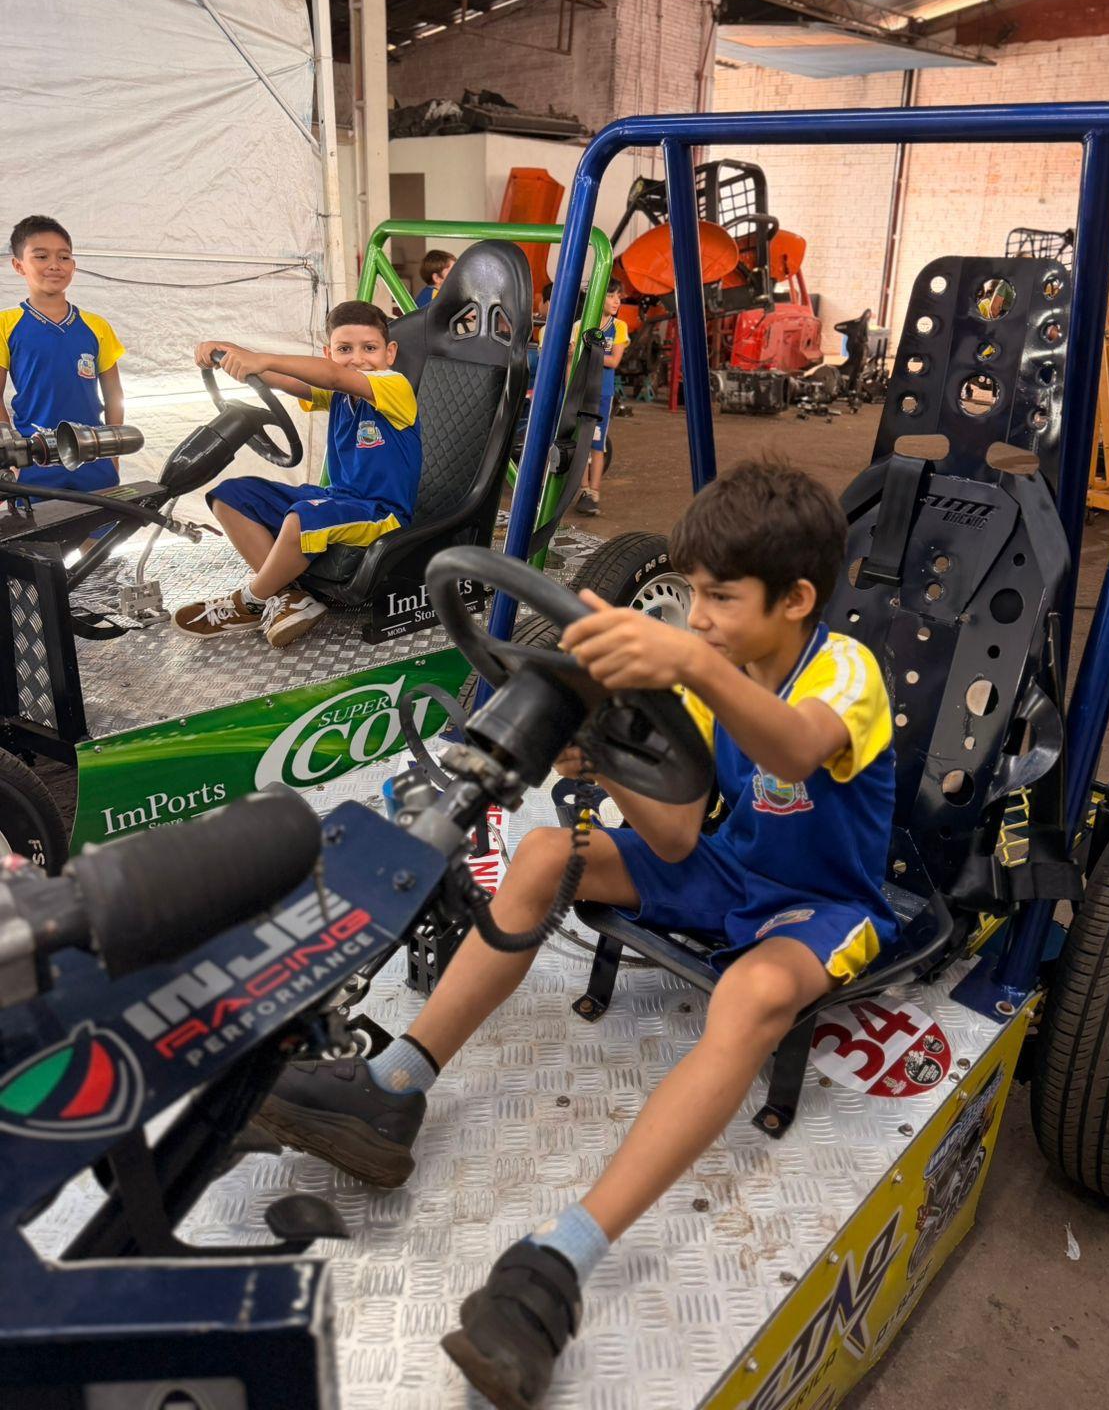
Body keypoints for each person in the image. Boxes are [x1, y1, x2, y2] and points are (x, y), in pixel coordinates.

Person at [256, 456, 897, 1408]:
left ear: (797, 599)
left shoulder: (843, 673)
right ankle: (396, 1084)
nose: (702, 615)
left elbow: (794, 746)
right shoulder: (708, 662)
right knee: (545, 853)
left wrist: (690, 659)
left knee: (753, 992)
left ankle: (559, 1262)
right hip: (721, 866)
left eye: (722, 598)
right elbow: (677, 831)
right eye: (694, 597)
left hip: (820, 904)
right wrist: (593, 740)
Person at [171, 300, 420, 650]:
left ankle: (250, 601)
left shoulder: (393, 386)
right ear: (327, 352)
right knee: (230, 496)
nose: (358, 358)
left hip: (381, 512)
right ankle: (287, 598)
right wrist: (231, 355)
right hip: (338, 499)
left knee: (302, 518)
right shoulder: (338, 395)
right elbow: (290, 381)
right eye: (344, 349)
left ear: (389, 353)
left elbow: (332, 374)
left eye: (370, 348)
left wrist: (263, 356)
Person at [1, 215, 126, 493]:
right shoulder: (5, 325)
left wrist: (113, 450)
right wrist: (10, 453)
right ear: (19, 265)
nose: (55, 265)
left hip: (93, 454)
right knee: (39, 533)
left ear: (74, 265)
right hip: (34, 459)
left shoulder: (97, 326)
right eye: (41, 256)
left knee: (98, 534)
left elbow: (114, 396)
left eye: (64, 257)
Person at [575, 278, 628, 518]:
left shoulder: (620, 327)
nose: (617, 301)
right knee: (580, 443)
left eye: (619, 296)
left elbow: (614, 361)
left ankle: (594, 493)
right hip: (579, 391)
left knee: (598, 443)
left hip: (602, 393)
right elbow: (571, 363)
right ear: (597, 296)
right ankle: (583, 490)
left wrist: (588, 352)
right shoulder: (580, 325)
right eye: (611, 295)